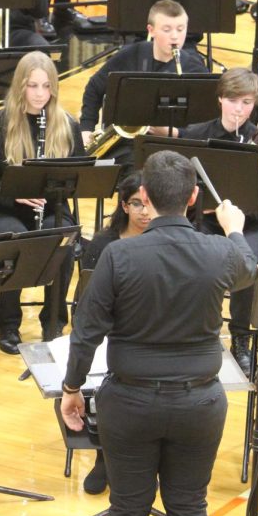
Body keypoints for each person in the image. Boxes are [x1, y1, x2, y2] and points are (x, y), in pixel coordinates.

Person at [61, 151, 256, 516]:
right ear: (193, 197)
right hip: (199, 402)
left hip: (130, 402)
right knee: (188, 506)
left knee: (128, 508)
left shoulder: (118, 255)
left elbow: (86, 334)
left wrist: (71, 387)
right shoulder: (219, 252)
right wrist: (234, 230)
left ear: (145, 195)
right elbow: (249, 269)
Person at [160, 68, 258, 375]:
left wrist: (239, 216)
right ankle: (192, 334)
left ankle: (241, 340)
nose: (239, 109)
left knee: (250, 260)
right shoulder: (196, 134)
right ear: (220, 98)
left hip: (249, 224)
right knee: (190, 256)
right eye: (233, 101)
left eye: (246, 103)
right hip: (205, 222)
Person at [0, 51, 84, 351]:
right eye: (33, 86)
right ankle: (8, 324)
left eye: (46, 86)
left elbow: (78, 178)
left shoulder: (66, 125)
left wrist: (56, 190)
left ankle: (53, 325)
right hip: (3, 210)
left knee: (60, 240)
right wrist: (14, 193)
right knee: (16, 240)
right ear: (20, 86)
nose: (40, 94)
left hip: (51, 209)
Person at [77, 170, 151, 497]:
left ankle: (142, 460)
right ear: (124, 205)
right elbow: (83, 304)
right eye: (137, 204)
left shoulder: (162, 242)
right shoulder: (104, 243)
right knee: (97, 380)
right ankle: (103, 455)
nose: (145, 212)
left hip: (148, 334)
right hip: (108, 333)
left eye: (150, 204)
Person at [79, 0, 209, 161]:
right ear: (151, 30)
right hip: (127, 144)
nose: (175, 36)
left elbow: (206, 124)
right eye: (167, 30)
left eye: (180, 29)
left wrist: (175, 133)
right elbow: (94, 87)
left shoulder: (195, 68)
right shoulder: (131, 54)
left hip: (173, 148)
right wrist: (86, 128)